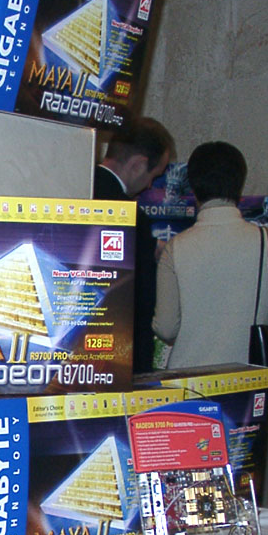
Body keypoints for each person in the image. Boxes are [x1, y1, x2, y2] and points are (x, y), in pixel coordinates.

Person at [153, 141, 268, 369]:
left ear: (194, 188)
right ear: (239, 183)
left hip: (186, 378)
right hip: (249, 377)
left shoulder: (174, 248)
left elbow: (166, 328)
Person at [91, 116, 174, 374]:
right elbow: (140, 308)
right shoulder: (131, 218)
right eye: (153, 175)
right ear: (138, 165)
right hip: (114, 362)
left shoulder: (68, 191)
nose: (149, 185)